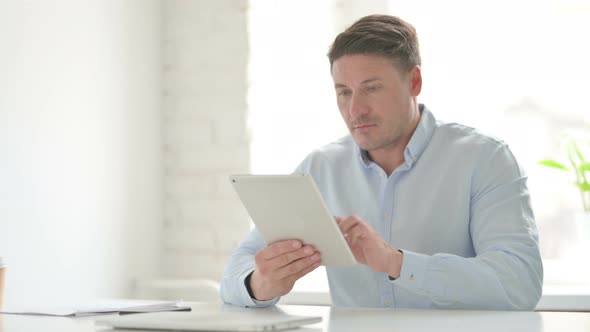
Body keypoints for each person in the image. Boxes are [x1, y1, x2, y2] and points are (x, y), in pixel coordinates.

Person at [220, 14, 543, 310]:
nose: (355, 109)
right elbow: (238, 268)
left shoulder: (484, 159)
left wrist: (396, 263)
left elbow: (520, 284)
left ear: (414, 82)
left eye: (372, 88)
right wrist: (261, 283)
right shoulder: (320, 167)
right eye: (344, 92)